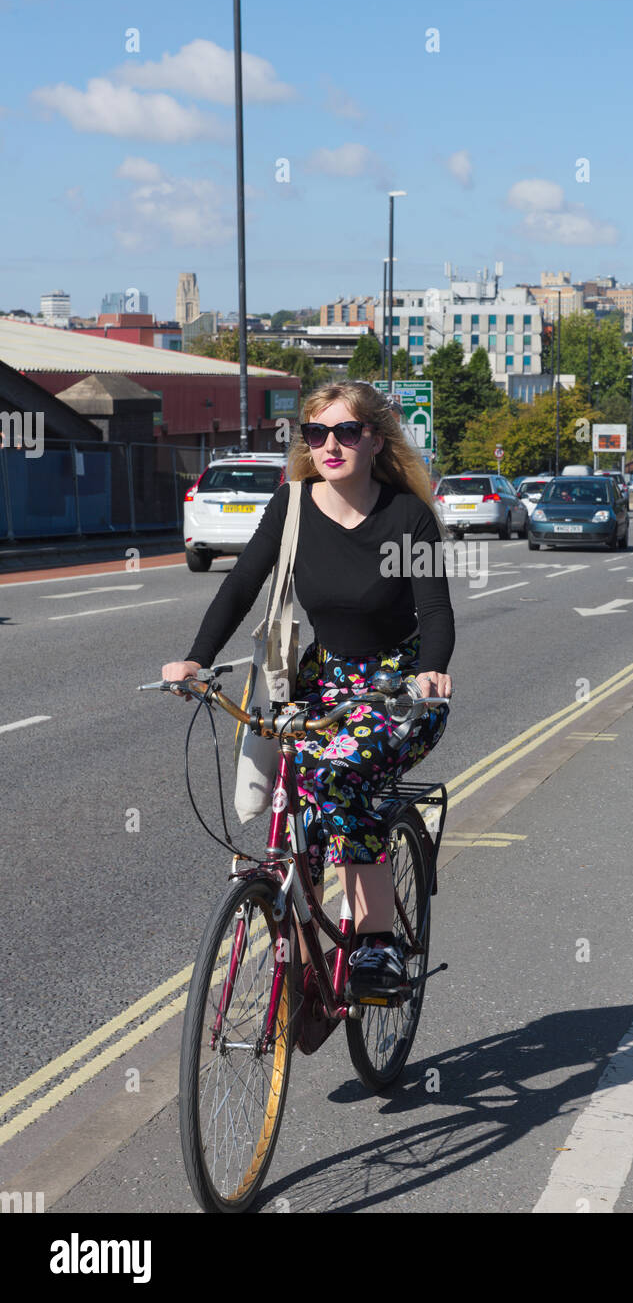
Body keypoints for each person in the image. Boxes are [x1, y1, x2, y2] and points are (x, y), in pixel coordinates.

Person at [161, 381, 455, 997]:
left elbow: (435, 611)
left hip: (397, 689)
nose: (329, 445)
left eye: (346, 432)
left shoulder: (407, 516)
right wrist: (197, 659)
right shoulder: (291, 506)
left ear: (374, 439)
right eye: (316, 433)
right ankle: (299, 928)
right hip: (323, 681)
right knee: (301, 788)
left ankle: (376, 946)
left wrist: (431, 669)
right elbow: (240, 586)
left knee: (342, 776)